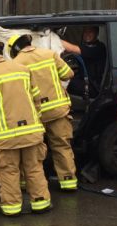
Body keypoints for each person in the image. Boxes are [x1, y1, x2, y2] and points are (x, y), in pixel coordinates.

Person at [0, 34, 51, 216]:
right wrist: (37, 122)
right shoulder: (22, 69)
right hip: (32, 133)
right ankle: (40, 203)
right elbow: (37, 100)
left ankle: (12, 208)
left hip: (4, 137)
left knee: (8, 171)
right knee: (34, 168)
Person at [8, 33, 78, 192]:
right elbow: (68, 74)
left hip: (34, 115)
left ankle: (28, 184)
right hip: (58, 111)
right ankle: (68, 182)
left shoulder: (15, 63)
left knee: (31, 151)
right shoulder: (50, 54)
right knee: (61, 146)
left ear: (15, 49)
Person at [63, 25, 107, 97]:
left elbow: (73, 49)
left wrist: (56, 40)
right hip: (84, 80)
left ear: (96, 33)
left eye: (90, 32)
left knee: (65, 83)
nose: (87, 34)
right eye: (85, 32)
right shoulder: (86, 45)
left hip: (94, 86)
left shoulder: (99, 47)